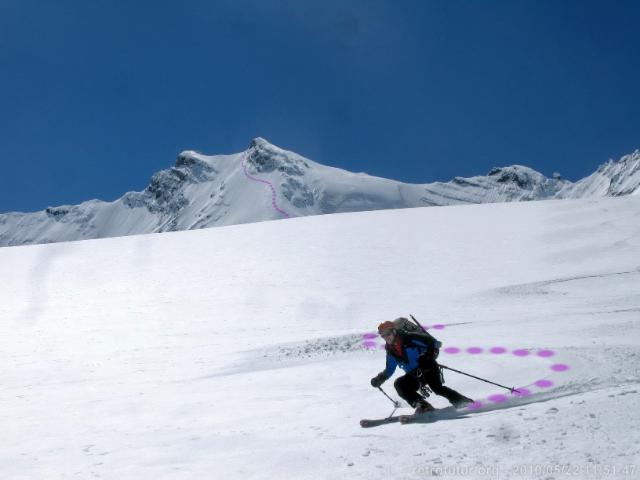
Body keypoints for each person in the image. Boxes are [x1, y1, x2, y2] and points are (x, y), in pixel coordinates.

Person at [370, 319, 474, 413]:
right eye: (383, 335)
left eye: (387, 334)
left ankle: (464, 402)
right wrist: (379, 379)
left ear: (394, 331)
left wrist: (428, 355)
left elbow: (435, 344)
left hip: (427, 366)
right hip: (414, 375)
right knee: (400, 384)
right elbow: (389, 369)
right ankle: (423, 405)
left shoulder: (410, 339)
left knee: (437, 388)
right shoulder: (391, 350)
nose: (385, 337)